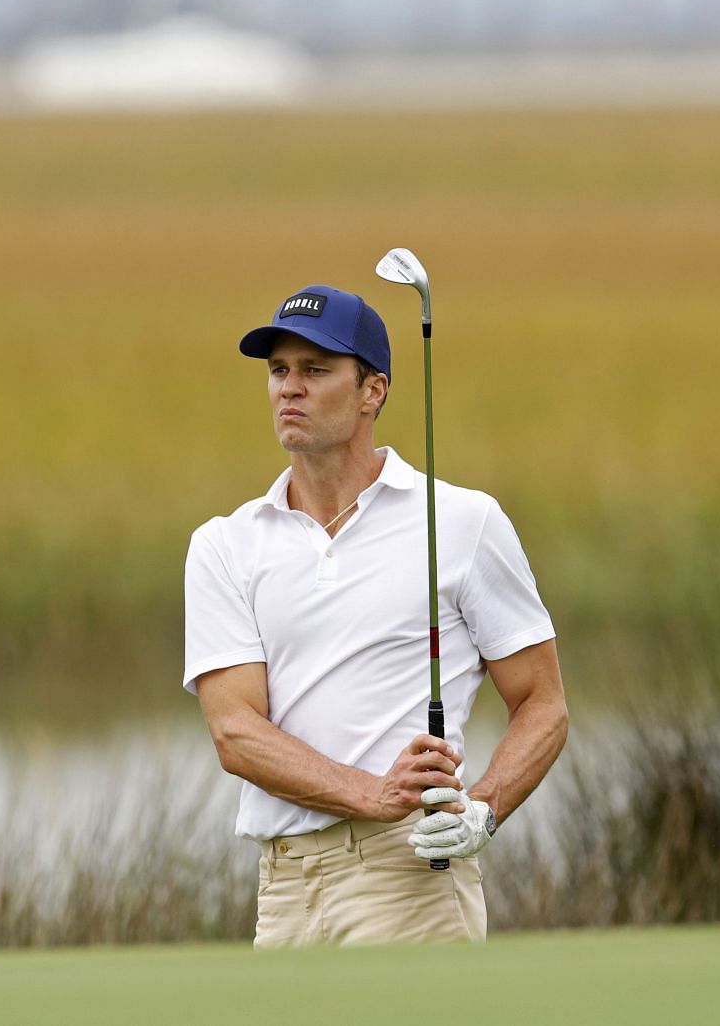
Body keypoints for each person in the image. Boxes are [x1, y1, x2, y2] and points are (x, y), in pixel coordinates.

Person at [183, 283, 568, 947]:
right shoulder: (225, 543)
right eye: (278, 371)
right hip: (283, 890)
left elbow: (543, 704)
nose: (288, 390)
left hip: (407, 873)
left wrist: (483, 808)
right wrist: (368, 791)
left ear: (373, 391)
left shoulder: (462, 522)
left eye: (315, 370)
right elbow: (234, 731)